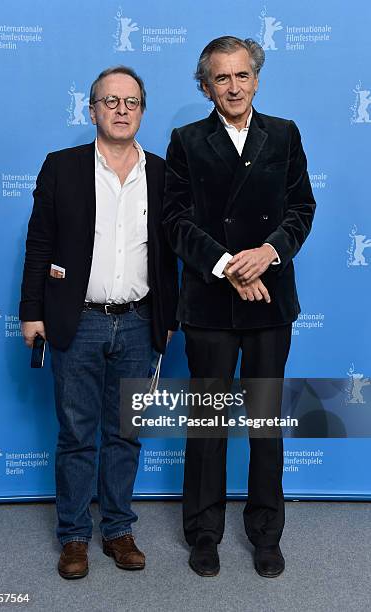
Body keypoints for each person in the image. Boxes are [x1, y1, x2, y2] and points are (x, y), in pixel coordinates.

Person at [163, 36, 316, 578]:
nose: (233, 86)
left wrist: (267, 253)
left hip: (271, 300)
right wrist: (230, 266)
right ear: (206, 85)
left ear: (257, 78)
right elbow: (176, 221)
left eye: (242, 75)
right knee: (207, 424)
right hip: (209, 305)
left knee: (265, 422)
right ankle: (204, 533)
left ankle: (265, 533)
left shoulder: (286, 133)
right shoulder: (185, 140)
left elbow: (302, 207)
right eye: (221, 78)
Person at [19, 66, 178, 579]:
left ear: (142, 111)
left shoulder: (161, 173)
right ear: (92, 110)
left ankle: (117, 529)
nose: (121, 110)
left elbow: (170, 255)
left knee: (125, 435)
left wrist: (167, 318)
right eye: (110, 101)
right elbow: (39, 244)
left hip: (139, 322)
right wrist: (32, 312)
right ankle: (73, 536)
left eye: (131, 102)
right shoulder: (61, 168)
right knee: (76, 434)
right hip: (77, 321)